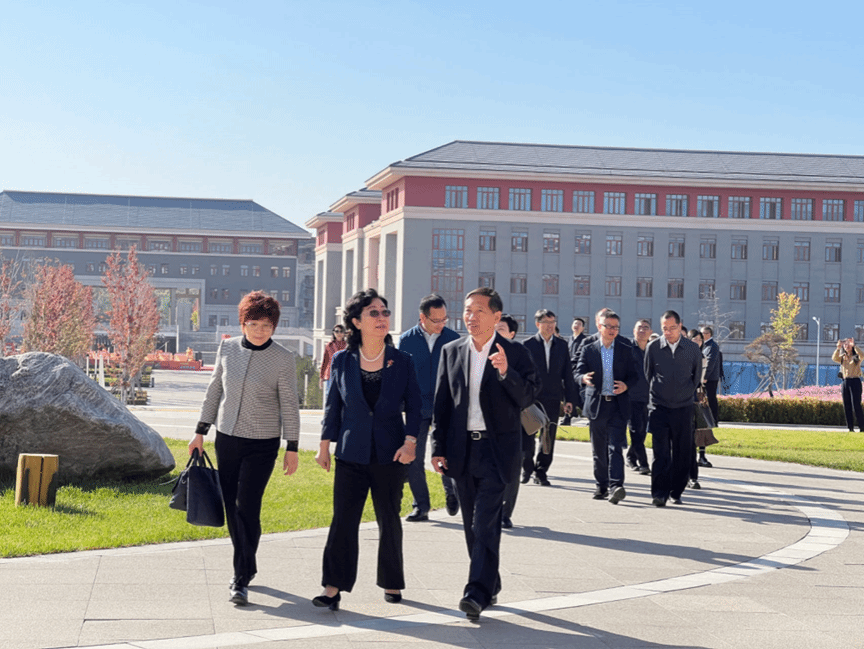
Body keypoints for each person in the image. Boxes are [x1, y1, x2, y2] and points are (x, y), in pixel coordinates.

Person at [431, 287, 541, 621]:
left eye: (479, 310)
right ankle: (489, 582)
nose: (471, 316)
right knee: (470, 524)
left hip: (497, 450)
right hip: (462, 449)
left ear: (496, 316)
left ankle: (475, 592)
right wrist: (437, 448)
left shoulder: (516, 353)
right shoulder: (451, 351)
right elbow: (442, 404)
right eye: (467, 310)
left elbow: (528, 397)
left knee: (485, 522)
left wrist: (507, 372)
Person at [190, 291, 300, 606]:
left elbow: (289, 404)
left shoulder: (282, 358)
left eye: (266, 325)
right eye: (253, 324)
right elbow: (214, 390)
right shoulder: (227, 348)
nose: (259, 330)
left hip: (263, 443)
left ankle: (240, 578)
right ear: (242, 324)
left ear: (274, 327)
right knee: (231, 506)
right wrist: (200, 432)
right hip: (227, 438)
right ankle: (247, 566)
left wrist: (292, 446)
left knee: (247, 506)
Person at [314, 289, 422, 610]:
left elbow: (416, 407)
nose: (381, 318)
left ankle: (391, 581)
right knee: (343, 521)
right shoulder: (341, 360)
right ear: (356, 322)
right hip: (351, 453)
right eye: (373, 313)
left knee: (389, 519)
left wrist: (411, 442)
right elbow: (333, 407)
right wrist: (323, 446)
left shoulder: (402, 361)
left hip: (391, 453)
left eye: (384, 312)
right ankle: (332, 587)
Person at [398, 294, 461, 522]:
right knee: (414, 458)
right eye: (437, 320)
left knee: (447, 453)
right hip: (417, 407)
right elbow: (401, 377)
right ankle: (421, 506)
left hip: (447, 408)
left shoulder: (454, 339)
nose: (442, 324)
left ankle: (451, 492)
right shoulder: (406, 340)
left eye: (445, 319)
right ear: (422, 317)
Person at [574, 311, 639, 503]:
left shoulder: (626, 349)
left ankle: (616, 486)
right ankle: (601, 485)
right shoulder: (589, 348)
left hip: (618, 405)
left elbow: (635, 375)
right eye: (608, 326)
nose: (612, 330)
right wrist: (583, 378)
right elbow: (577, 372)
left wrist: (626, 385)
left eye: (615, 327)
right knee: (599, 449)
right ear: (599, 327)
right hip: (597, 405)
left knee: (616, 447)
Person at [644, 310, 702, 507]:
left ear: (680, 326)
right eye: (664, 329)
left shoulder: (692, 349)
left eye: (672, 328)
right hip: (659, 407)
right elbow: (648, 374)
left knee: (682, 453)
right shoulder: (653, 347)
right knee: (660, 453)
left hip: (683, 408)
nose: (668, 332)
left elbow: (696, 378)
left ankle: (676, 491)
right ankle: (659, 494)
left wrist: (685, 394)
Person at [522, 309, 578, 486]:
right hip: (532, 398)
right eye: (546, 323)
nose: (550, 326)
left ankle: (541, 472)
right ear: (538, 324)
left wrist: (569, 399)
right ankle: (527, 467)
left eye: (553, 322)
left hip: (553, 397)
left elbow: (567, 374)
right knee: (528, 435)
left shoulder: (561, 345)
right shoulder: (527, 345)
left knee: (548, 437)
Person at [494, 315, 532, 528]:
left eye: (501, 329)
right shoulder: (481, 352)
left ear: (511, 334)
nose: (496, 332)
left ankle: (505, 512)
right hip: (486, 422)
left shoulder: (520, 353)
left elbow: (529, 387)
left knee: (511, 469)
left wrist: (507, 372)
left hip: (513, 421)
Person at [626, 319, 652, 475]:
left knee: (642, 432)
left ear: (650, 332)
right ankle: (643, 463)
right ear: (634, 331)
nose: (642, 330)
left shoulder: (652, 350)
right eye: (639, 328)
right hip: (631, 397)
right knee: (636, 430)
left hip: (648, 398)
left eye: (646, 328)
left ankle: (630, 456)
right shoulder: (627, 349)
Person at [687, 328, 710, 489]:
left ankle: (692, 477)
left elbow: (700, 381)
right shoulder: (680, 355)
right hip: (676, 401)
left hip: (693, 401)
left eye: (700, 340)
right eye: (694, 339)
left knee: (691, 441)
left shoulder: (702, 358)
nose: (697, 342)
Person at [833, 337, 864, 432]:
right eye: (845, 345)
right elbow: (834, 358)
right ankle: (850, 427)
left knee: (856, 405)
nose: (847, 346)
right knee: (847, 405)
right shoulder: (843, 357)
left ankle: (862, 427)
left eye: (848, 344)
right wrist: (838, 348)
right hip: (846, 382)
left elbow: (862, 355)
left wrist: (855, 346)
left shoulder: (856, 356)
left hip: (855, 381)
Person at [699, 325, 721, 461]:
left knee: (711, 399)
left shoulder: (712, 346)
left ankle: (713, 420)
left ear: (709, 334)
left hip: (710, 378)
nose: (702, 335)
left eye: (704, 333)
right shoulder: (705, 345)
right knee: (706, 399)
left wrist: (705, 376)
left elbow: (711, 362)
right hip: (706, 377)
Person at [560, 317, 586, 425]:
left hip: (578, 373)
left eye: (579, 324)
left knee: (578, 397)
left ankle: (577, 414)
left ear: (583, 328)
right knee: (567, 395)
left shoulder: (584, 340)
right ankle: (568, 416)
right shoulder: (569, 339)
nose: (576, 325)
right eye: (575, 323)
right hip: (568, 372)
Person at [319, 324, 347, 398]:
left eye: (341, 331)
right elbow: (325, 361)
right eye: (337, 331)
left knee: (343, 397)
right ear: (333, 333)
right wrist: (321, 377)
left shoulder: (347, 346)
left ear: (344, 333)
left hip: (343, 375)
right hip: (330, 375)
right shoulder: (329, 345)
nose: (339, 333)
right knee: (330, 396)